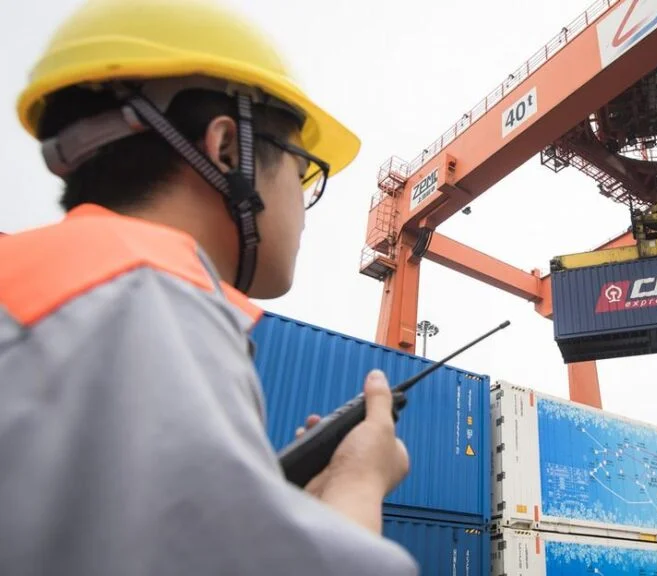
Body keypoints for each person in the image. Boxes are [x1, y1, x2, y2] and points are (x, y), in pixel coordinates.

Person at [0, 1, 416, 574]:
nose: (304, 208)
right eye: (304, 173)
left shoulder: (50, 285)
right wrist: (358, 481)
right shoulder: (146, 299)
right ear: (226, 149)